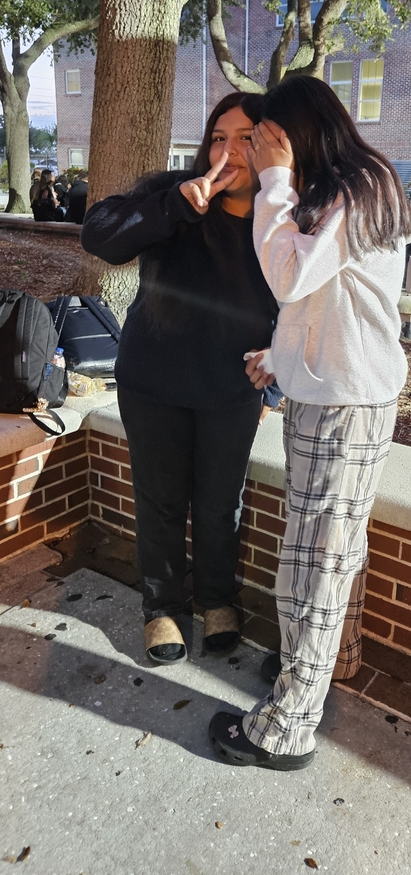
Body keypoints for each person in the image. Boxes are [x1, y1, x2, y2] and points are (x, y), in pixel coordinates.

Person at [208, 75, 411, 771]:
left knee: (312, 569)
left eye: (268, 137)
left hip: (343, 410)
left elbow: (290, 280)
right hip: (333, 395)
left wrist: (272, 183)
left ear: (301, 130)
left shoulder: (354, 190)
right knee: (323, 559)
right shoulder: (355, 184)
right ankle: (313, 674)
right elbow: (331, 300)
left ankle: (286, 728)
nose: (263, 150)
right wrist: (285, 356)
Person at [80, 92, 280, 666]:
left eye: (248, 138)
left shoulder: (281, 218)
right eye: (220, 137)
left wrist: (273, 381)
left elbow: (303, 304)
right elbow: (99, 236)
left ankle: (218, 598)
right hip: (153, 384)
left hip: (230, 391)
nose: (231, 150)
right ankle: (162, 607)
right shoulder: (170, 194)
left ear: (272, 146)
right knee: (161, 503)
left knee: (221, 505)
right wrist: (173, 206)